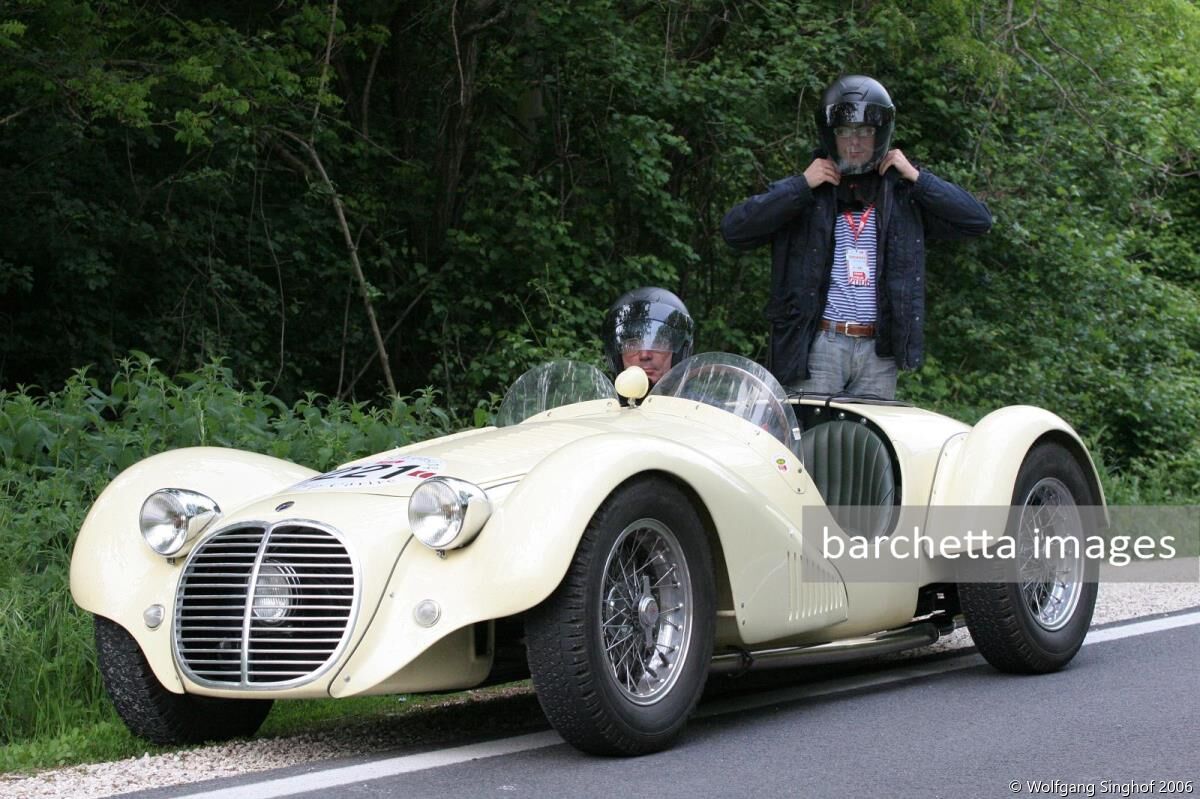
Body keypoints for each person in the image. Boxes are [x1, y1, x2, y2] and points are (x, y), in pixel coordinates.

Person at [720, 74, 992, 399]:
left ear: (880, 135)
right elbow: (734, 230)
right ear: (830, 135)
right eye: (844, 132)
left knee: (867, 447)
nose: (854, 143)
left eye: (864, 132)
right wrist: (800, 186)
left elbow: (978, 220)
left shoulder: (903, 195)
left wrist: (919, 178)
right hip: (818, 346)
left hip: (879, 352)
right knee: (810, 443)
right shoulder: (808, 193)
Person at [602, 287, 694, 387]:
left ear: (679, 353)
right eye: (632, 345)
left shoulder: (698, 403)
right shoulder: (606, 402)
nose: (644, 355)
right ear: (618, 358)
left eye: (658, 342)